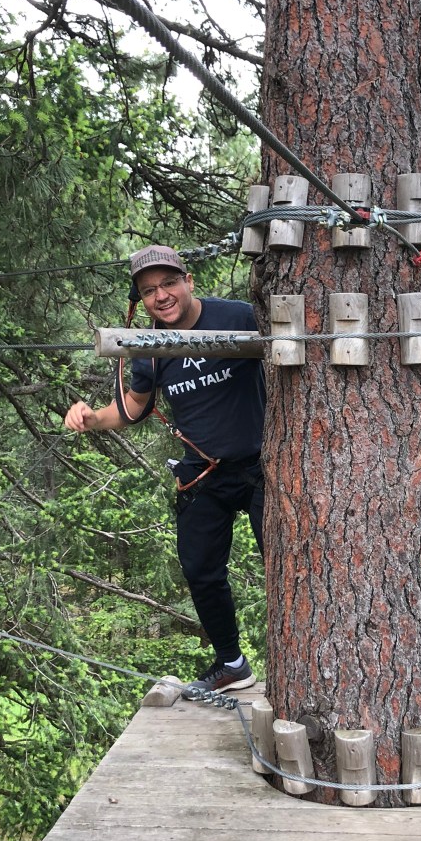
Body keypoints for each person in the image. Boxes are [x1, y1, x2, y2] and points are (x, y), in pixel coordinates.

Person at [64, 245, 266, 698]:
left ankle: (301, 659)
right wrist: (92, 418)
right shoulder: (147, 347)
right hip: (202, 472)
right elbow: (134, 405)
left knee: (285, 561)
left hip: (262, 465)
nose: (161, 296)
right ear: (141, 299)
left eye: (169, 283)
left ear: (188, 281)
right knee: (200, 569)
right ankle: (232, 663)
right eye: (149, 290)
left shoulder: (238, 316)